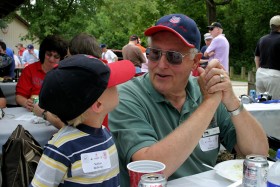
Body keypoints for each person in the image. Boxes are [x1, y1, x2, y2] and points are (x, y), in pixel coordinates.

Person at [109, 14, 269, 186]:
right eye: (155, 54)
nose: (161, 64)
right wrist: (209, 104)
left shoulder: (204, 91)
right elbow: (150, 170)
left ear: (195, 62)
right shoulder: (126, 96)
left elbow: (258, 153)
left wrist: (231, 101)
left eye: (174, 56)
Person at [30, 54, 135, 187]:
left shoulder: (104, 133)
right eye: (112, 85)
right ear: (98, 105)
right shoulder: (62, 148)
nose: (118, 87)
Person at [16, 35, 68, 128]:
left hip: (55, 119)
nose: (51, 59)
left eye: (56, 56)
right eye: (48, 54)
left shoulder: (65, 73)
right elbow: (19, 96)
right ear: (43, 52)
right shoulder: (29, 70)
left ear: (61, 58)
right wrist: (26, 102)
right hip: (32, 117)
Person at [255, 15, 280, 99]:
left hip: (260, 73)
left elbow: (257, 57)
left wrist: (259, 70)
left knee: (261, 103)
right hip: (275, 75)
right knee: (275, 105)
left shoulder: (262, 39)